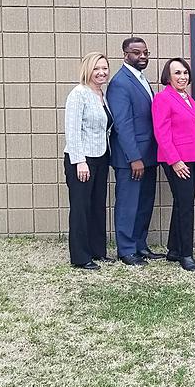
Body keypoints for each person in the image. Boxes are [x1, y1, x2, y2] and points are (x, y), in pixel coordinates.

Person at [106, 37, 164, 266]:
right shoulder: (120, 82)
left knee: (144, 203)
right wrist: (134, 158)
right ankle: (127, 250)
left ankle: (140, 245)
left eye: (146, 53)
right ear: (125, 54)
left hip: (149, 155)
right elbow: (123, 124)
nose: (143, 57)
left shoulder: (141, 79)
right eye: (137, 53)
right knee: (129, 204)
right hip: (132, 158)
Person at [152, 58, 195, 272]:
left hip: (193, 159)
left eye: (185, 72)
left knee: (182, 203)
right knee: (186, 207)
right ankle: (186, 254)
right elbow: (161, 132)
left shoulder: (187, 98)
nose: (182, 77)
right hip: (178, 161)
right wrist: (175, 161)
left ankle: (174, 249)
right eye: (177, 73)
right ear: (168, 76)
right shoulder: (163, 98)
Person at [63, 52, 113, 270]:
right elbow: (72, 131)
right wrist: (79, 161)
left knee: (97, 207)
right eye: (96, 68)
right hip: (82, 160)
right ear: (87, 70)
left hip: (101, 157)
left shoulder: (101, 94)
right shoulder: (79, 93)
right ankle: (81, 257)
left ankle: (97, 251)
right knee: (81, 208)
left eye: (104, 68)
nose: (101, 72)